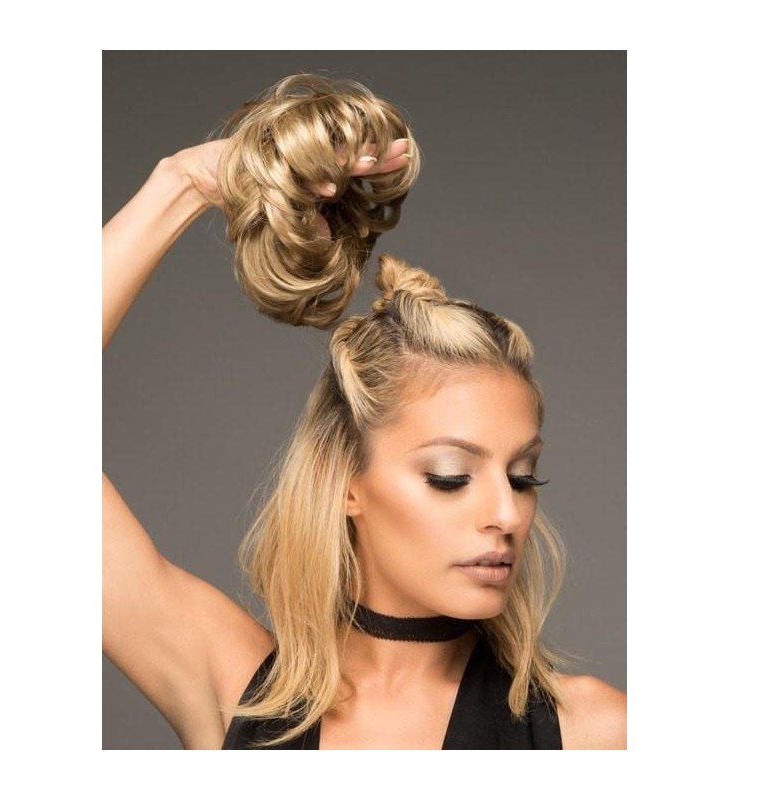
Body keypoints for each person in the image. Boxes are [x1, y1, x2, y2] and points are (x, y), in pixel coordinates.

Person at [103, 74, 626, 749]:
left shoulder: (595, 733)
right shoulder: (234, 689)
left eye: (523, 476)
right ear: (348, 482)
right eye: (450, 476)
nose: (507, 513)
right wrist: (186, 182)